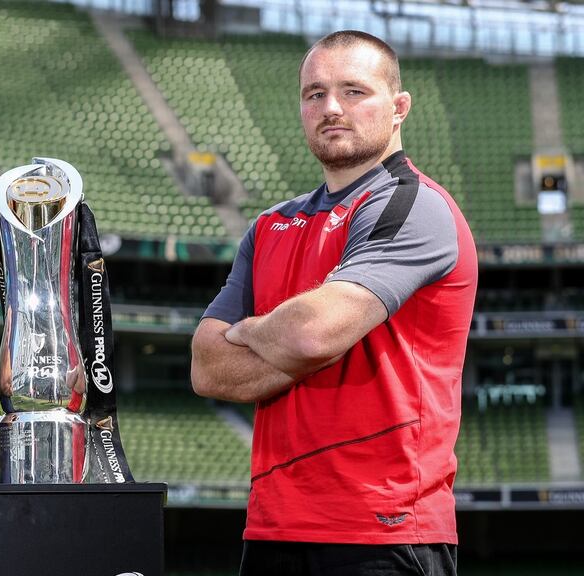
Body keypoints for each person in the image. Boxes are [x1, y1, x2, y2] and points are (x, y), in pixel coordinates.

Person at [191, 30, 476, 576]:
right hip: (271, 528)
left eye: (354, 91)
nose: (332, 108)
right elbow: (207, 368)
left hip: (383, 529)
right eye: (314, 93)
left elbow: (310, 335)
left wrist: (252, 330)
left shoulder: (415, 206)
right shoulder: (269, 225)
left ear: (399, 108)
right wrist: (293, 336)